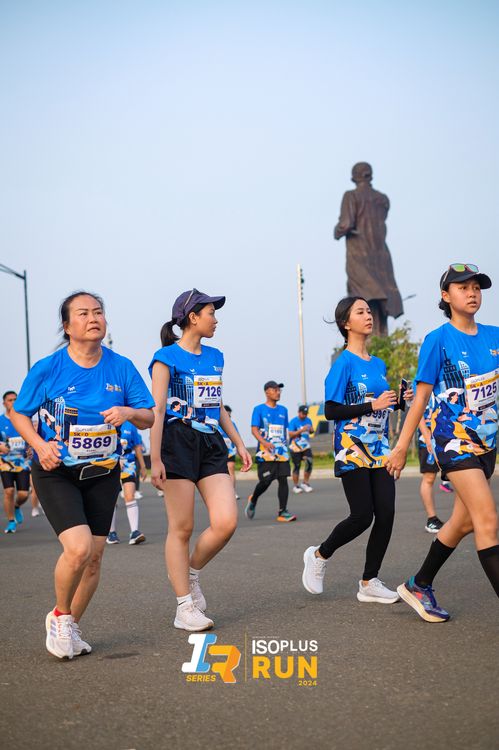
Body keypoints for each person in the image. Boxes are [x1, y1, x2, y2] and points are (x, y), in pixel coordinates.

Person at [10, 291, 154, 659]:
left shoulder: (121, 367)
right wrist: (39, 446)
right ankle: (60, 616)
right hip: (56, 471)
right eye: (83, 313)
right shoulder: (48, 368)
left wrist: (127, 411)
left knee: (94, 558)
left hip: (103, 472)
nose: (93, 318)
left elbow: (149, 416)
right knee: (78, 549)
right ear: (67, 326)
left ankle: (72, 625)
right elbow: (19, 414)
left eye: (99, 312)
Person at [387, 264, 498, 621]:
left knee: (464, 523)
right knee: (488, 520)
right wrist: (401, 446)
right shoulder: (438, 340)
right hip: (454, 443)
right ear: (446, 296)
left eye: (476, 287)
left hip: (486, 446)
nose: (472, 293)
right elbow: (420, 398)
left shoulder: (495, 336)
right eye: (463, 287)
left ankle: (419, 584)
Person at [150, 288, 252, 632]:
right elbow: (157, 410)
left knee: (226, 522)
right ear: (192, 317)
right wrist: (154, 458)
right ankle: (184, 607)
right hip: (176, 441)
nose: (216, 319)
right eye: (211, 313)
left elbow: (217, 406)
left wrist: (239, 442)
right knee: (182, 528)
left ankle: (190, 574)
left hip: (210, 442)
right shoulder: (165, 357)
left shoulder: (215, 356)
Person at [302, 296, 411, 603]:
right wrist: (372, 405)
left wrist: (399, 401)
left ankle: (369, 582)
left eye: (368, 311)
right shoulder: (343, 363)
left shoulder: (377, 364)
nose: (368, 316)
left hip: (380, 448)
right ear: (346, 323)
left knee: (386, 513)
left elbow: (378, 405)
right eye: (360, 312)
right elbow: (331, 410)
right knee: (362, 515)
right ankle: (319, 555)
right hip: (352, 448)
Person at [245, 381, 297, 522]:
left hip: (281, 452)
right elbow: (254, 429)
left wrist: (287, 446)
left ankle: (282, 512)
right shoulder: (259, 409)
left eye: (279, 390)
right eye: (275, 390)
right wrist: (264, 442)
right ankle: (254, 498)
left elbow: (285, 431)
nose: (278, 392)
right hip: (266, 453)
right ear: (267, 392)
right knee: (265, 481)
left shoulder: (283, 410)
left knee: (283, 479)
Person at [107, 421, 148, 545]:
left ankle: (135, 532)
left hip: (128, 464)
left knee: (130, 496)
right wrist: (114, 458)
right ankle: (111, 533)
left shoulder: (131, 425)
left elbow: (137, 446)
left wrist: (143, 466)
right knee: (112, 500)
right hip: (111, 463)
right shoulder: (107, 421)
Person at [0, 391, 31, 533]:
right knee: (9, 491)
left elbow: (32, 437)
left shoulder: (24, 419)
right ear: (4, 403)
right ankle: (11, 521)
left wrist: (31, 448)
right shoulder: (1, 421)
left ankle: (17, 506)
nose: (13, 402)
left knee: (23, 494)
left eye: (15, 399)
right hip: (5, 462)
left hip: (22, 462)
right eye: (10, 400)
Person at [417, 396, 445, 533]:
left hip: (448, 433)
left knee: (460, 475)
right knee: (429, 477)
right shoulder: (419, 386)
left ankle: (465, 517)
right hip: (428, 438)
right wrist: (427, 436)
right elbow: (416, 409)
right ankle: (432, 519)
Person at [289, 405, 315, 494]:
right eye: (303, 413)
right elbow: (290, 434)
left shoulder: (308, 420)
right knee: (297, 466)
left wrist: (311, 430)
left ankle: (305, 483)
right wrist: (302, 430)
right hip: (295, 446)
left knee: (309, 462)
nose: (305, 415)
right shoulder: (293, 421)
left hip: (305, 445)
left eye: (306, 413)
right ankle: (296, 486)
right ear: (299, 412)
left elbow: (311, 431)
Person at [218, 405, 241, 499]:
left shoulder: (232, 424)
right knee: (219, 471)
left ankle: (232, 491)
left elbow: (237, 436)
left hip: (230, 450)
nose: (228, 418)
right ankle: (220, 492)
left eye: (229, 416)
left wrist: (239, 448)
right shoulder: (215, 423)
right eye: (226, 416)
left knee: (231, 468)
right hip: (218, 451)